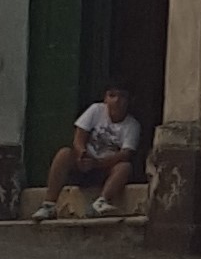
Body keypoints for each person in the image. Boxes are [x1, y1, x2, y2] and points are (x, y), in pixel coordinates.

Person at [44, 82, 143, 220]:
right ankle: (49, 204)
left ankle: (101, 201)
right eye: (112, 95)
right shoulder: (96, 110)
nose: (117, 101)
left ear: (129, 101)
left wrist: (97, 163)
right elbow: (79, 136)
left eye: (122, 97)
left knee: (125, 167)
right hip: (84, 163)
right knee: (64, 154)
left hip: (105, 169)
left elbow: (125, 154)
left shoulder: (132, 125)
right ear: (105, 98)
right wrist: (82, 154)